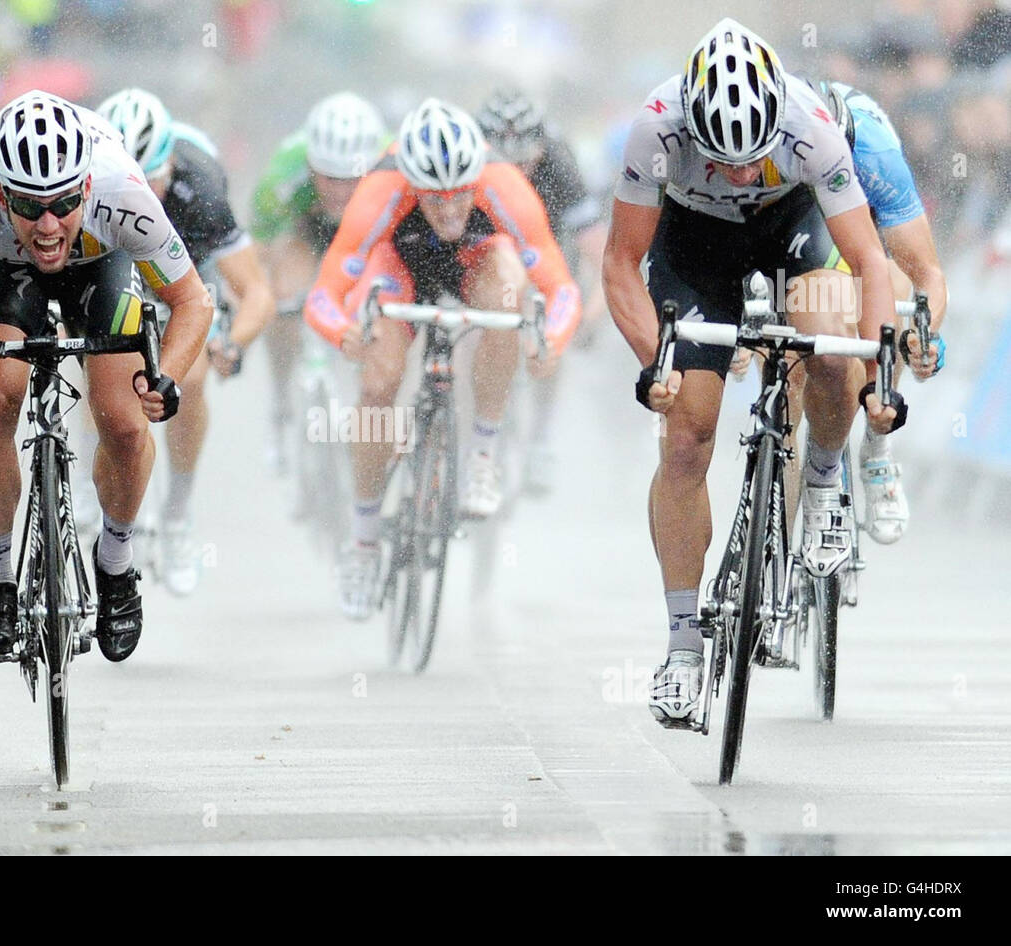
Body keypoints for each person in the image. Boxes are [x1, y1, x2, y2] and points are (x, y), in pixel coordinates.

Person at [600, 19, 918, 728]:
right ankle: (684, 649)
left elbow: (868, 264)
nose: (741, 173)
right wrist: (654, 362)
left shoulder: (811, 126)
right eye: (724, 157)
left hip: (793, 229)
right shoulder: (656, 129)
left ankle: (827, 481)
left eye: (754, 157)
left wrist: (878, 380)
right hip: (695, 245)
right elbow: (621, 264)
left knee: (831, 347)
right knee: (686, 434)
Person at [0, 90, 211, 663]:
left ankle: (116, 567)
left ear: (87, 187)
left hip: (101, 262)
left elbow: (193, 301)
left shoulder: (124, 191)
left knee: (122, 420)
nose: (47, 223)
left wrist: (166, 376)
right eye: (29, 205)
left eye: (63, 202)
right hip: (4, 267)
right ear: (1, 194)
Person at [306, 98, 582, 620]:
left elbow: (560, 287)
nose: (452, 210)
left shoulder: (503, 184)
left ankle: (481, 454)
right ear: (411, 183)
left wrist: (552, 338)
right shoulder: (382, 189)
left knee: (509, 298)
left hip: (474, 265)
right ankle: (363, 541)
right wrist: (346, 337)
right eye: (435, 199)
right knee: (379, 382)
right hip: (400, 265)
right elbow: (325, 293)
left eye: (461, 195)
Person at [92, 88, 274, 596]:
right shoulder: (86, 190)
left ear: (171, 166)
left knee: (188, 379)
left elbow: (256, 290)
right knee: (98, 350)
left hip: (186, 271)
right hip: (116, 264)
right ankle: (91, 488)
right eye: (128, 182)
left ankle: (177, 513)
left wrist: (232, 344)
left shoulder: (203, 190)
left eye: (151, 181)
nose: (141, 196)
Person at [810, 78, 946, 543]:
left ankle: (878, 445)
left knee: (893, 282)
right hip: (801, 220)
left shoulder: (874, 152)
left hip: (867, 219)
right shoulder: (786, 146)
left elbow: (928, 275)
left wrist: (924, 339)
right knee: (798, 326)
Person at [250, 92, 388, 474]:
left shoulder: (391, 164)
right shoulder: (283, 173)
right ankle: (281, 404)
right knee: (284, 295)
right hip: (307, 235)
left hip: (366, 239)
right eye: (330, 178)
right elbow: (256, 252)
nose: (341, 192)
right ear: (310, 165)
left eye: (351, 179)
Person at [476, 87, 605, 494]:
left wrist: (589, 312)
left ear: (541, 148)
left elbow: (597, 251)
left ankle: (540, 437)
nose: (516, 174)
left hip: (546, 243)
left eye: (525, 163)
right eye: (505, 166)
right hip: (489, 242)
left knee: (554, 326)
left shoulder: (559, 162)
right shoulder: (469, 161)